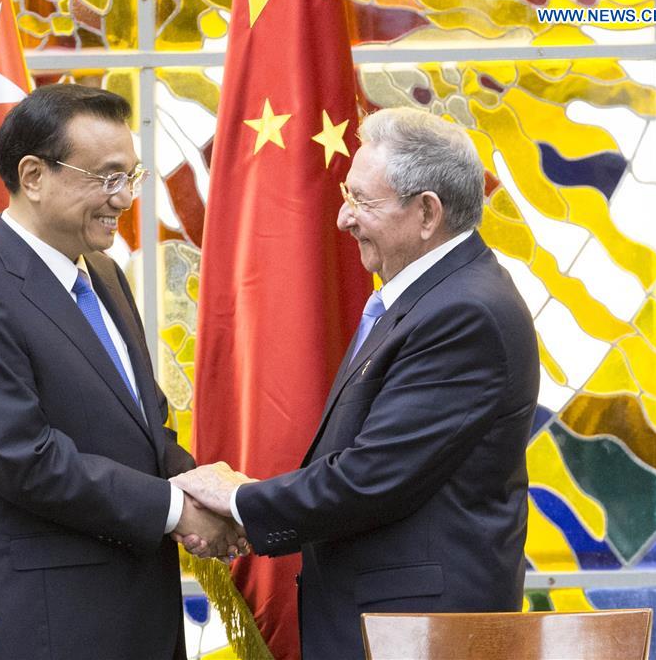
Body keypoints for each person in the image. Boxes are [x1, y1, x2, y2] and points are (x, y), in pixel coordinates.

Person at [173, 107, 540, 659]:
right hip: (388, 623)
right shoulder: (431, 298)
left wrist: (240, 500)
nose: (343, 218)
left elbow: (372, 476)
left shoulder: (464, 313)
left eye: (362, 201)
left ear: (426, 213)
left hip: (420, 633)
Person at [0, 84, 241, 660]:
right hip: (56, 624)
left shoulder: (105, 275)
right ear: (33, 175)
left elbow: (146, 428)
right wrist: (176, 511)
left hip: (145, 611)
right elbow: (24, 458)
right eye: (106, 177)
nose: (124, 199)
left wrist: (206, 489)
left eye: (132, 177)